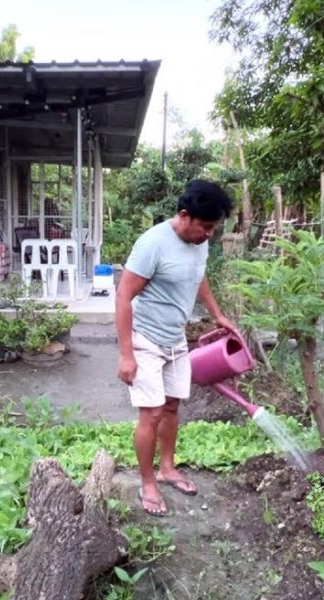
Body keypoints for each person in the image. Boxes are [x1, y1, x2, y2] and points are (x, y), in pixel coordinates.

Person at [115, 179, 238, 516]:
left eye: (213, 227)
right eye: (206, 226)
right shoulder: (152, 244)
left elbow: (199, 276)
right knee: (151, 413)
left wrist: (218, 315)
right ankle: (147, 482)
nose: (209, 235)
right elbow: (124, 296)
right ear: (184, 215)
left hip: (176, 340)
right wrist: (126, 354)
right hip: (146, 340)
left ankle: (167, 468)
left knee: (171, 407)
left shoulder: (199, 242)